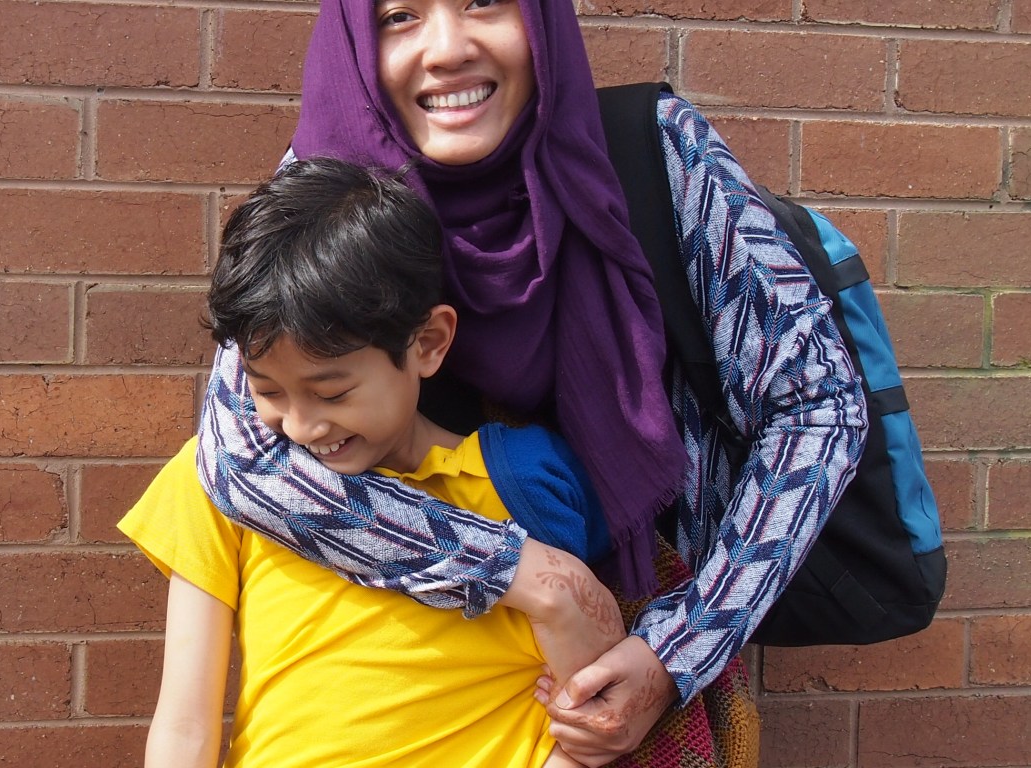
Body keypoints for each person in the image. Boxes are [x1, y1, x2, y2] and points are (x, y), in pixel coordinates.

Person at [191, 0, 869, 762]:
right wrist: (521, 571)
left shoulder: (656, 157)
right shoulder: (324, 189)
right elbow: (239, 459)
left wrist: (676, 650)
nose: (446, 49)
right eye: (400, 15)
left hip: (639, 687)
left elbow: (820, 406)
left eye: (484, 1)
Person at [123, 156, 627, 767]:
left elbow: (592, 713)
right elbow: (184, 726)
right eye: (268, 391)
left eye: (332, 393)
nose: (301, 427)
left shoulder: (522, 480)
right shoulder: (221, 482)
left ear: (429, 343)